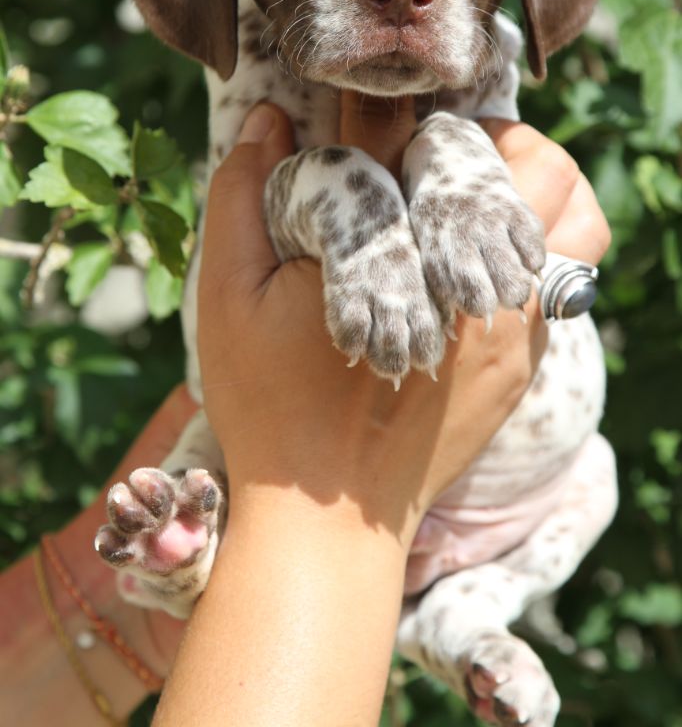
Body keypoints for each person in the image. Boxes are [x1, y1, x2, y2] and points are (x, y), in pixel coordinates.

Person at [0, 94, 610, 726]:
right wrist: (333, 506)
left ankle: (459, 616)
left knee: (596, 480)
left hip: (518, 506)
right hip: (305, 521)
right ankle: (197, 539)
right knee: (216, 438)